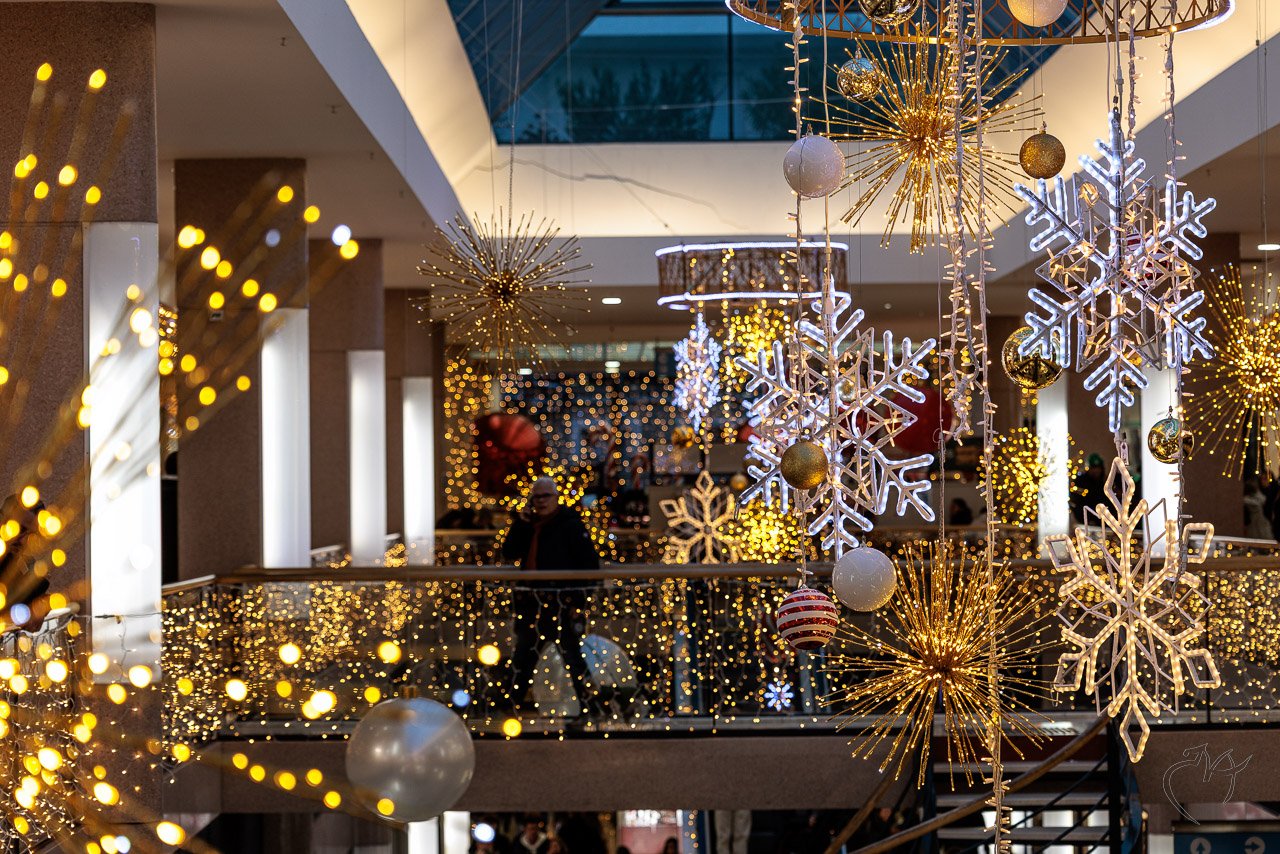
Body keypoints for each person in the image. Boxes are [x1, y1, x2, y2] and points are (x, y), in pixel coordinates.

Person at [502, 477, 602, 718]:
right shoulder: (529, 525)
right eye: (536, 497)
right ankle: (508, 707)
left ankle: (591, 708)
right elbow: (509, 552)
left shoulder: (570, 525)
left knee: (572, 658)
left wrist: (578, 602)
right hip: (531, 603)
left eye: (546, 496)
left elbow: (589, 565)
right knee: (523, 658)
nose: (541, 501)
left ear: (556, 498)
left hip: (560, 604)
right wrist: (521, 523)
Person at [1071, 454, 1107, 523]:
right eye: (1093, 468)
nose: (1096, 471)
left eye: (1098, 468)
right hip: (1084, 520)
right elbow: (1077, 503)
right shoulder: (1080, 482)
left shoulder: (1104, 482)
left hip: (1101, 521)